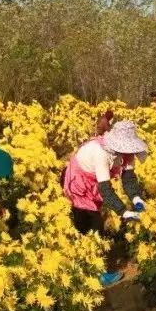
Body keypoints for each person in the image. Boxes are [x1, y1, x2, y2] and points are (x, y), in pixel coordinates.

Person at [63, 120, 148, 288]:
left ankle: (89, 266)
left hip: (93, 184)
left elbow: (128, 178)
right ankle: (94, 274)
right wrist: (123, 212)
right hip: (79, 185)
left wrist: (137, 198)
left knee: (95, 224)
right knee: (92, 228)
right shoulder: (101, 153)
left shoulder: (127, 153)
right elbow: (105, 189)